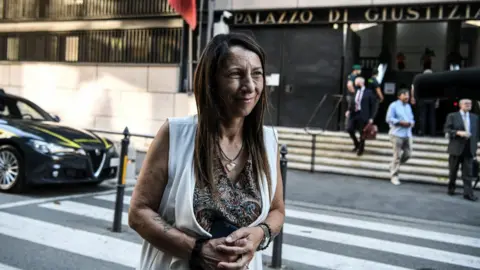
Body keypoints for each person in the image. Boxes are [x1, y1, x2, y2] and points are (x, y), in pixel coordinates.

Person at [128, 33, 286, 269]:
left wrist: (259, 234)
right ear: (212, 81)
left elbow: (277, 211)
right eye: (235, 74)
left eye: (257, 74)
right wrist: (196, 250)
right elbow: (138, 213)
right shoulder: (175, 134)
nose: (250, 86)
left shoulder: (268, 141)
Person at [444, 99, 478, 202]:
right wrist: (458, 132)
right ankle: (451, 188)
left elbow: (477, 132)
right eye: (466, 104)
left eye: (470, 104)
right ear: (460, 105)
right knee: (453, 171)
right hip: (456, 148)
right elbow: (447, 130)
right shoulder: (452, 116)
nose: (468, 105)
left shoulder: (475, 117)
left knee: (468, 173)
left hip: (469, 148)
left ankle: (468, 194)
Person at [386, 89, 415, 185]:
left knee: (408, 154)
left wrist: (411, 123)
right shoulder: (393, 105)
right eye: (404, 95)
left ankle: (392, 165)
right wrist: (400, 122)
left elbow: (411, 118)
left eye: (408, 95)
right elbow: (389, 118)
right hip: (396, 134)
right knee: (397, 156)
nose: (407, 97)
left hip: (407, 134)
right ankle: (394, 176)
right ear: (399, 96)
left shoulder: (408, 106)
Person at [346, 76, 378, 156]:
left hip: (363, 114)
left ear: (360, 82)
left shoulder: (369, 92)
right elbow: (353, 102)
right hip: (354, 113)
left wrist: (371, 117)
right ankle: (357, 144)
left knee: (362, 132)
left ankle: (361, 148)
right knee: (349, 129)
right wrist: (349, 110)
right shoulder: (355, 91)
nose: (355, 84)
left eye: (356, 82)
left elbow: (373, 106)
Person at [345, 64, 362, 129]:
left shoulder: (352, 76)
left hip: (351, 96)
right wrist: (355, 93)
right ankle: (347, 126)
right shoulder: (352, 76)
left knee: (352, 111)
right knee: (350, 110)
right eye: (359, 69)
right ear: (356, 70)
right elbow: (349, 85)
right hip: (352, 96)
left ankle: (351, 126)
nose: (360, 71)